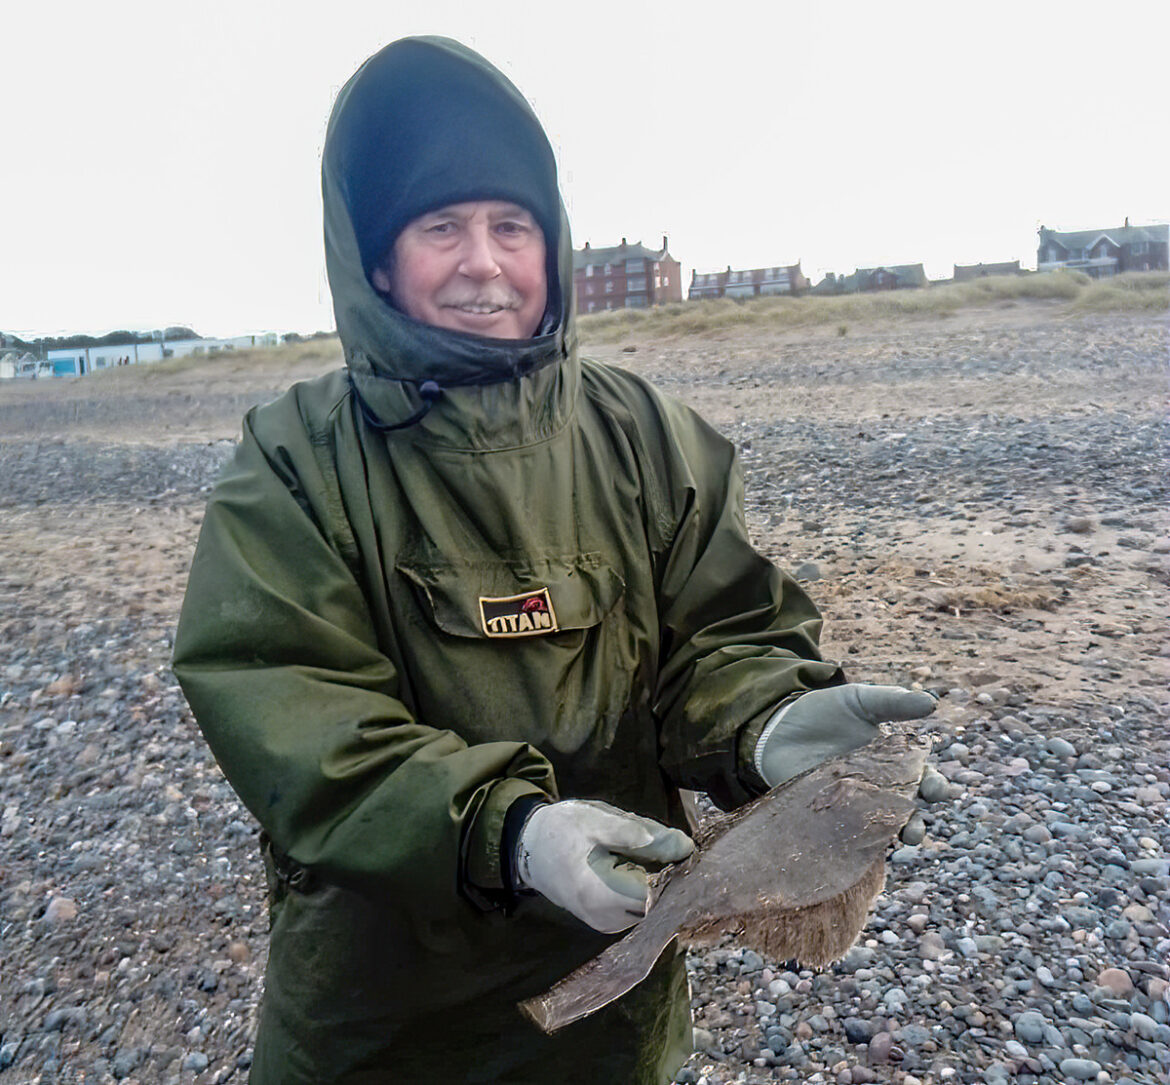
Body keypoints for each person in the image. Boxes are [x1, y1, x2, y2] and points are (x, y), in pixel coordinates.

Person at [172, 36, 935, 1085]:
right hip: (380, 1017)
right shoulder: (295, 461)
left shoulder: (650, 436)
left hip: (610, 1005)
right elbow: (294, 711)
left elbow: (719, 637)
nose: (483, 261)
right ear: (377, 259)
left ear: (553, 245)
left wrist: (768, 720)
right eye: (442, 227)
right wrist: (515, 831)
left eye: (510, 225)